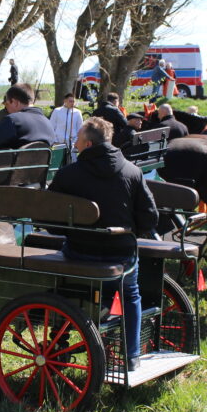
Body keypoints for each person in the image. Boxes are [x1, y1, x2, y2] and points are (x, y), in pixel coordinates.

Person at [47, 116, 158, 372]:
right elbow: (150, 216)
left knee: (61, 285)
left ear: (87, 144)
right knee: (131, 294)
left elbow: (49, 216)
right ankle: (131, 357)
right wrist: (128, 234)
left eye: (77, 138)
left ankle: (59, 339)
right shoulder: (132, 171)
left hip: (80, 254)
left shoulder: (68, 174)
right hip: (122, 256)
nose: (74, 142)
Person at [0, 84, 56, 149]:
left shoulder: (12, 120)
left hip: (15, 159)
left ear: (15, 102)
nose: (6, 108)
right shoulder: (48, 123)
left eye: (7, 104)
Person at [49, 93, 84, 157]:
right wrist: (55, 141)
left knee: (72, 162)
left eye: (73, 101)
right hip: (58, 143)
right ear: (65, 101)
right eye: (70, 101)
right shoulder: (57, 111)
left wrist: (76, 141)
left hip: (72, 143)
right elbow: (51, 127)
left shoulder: (77, 112)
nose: (72, 103)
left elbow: (80, 129)